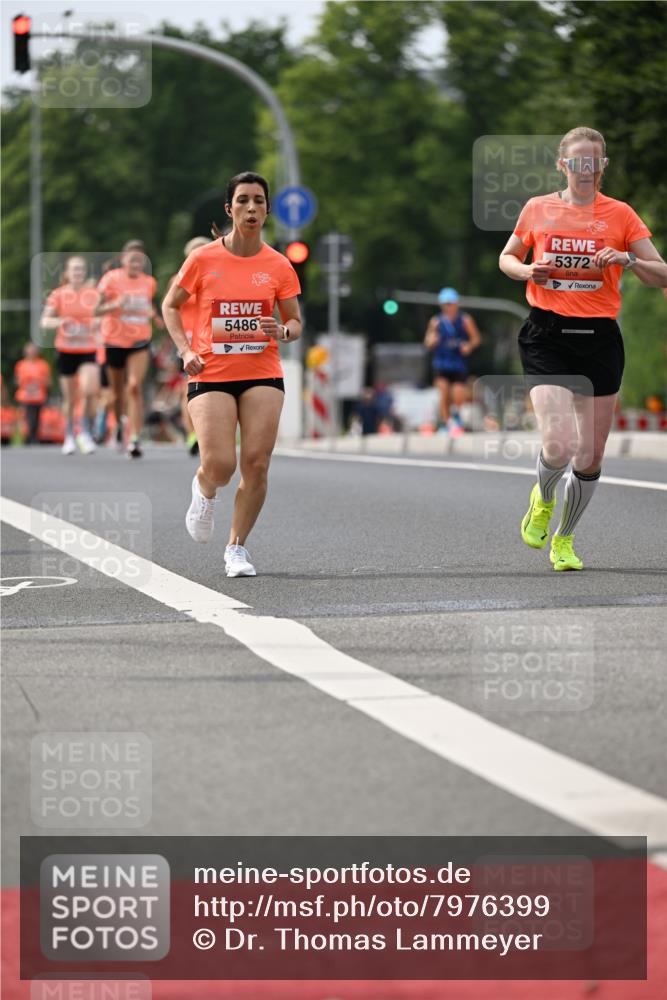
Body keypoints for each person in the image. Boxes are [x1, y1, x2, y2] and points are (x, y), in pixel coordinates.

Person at [499, 126, 667, 570]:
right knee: (558, 444)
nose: (585, 170)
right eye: (577, 162)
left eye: (593, 162)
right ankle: (543, 499)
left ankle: (565, 540)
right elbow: (507, 257)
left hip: (599, 339)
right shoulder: (538, 209)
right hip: (547, 335)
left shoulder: (621, 216)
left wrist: (627, 259)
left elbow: (662, 273)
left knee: (590, 454)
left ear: (603, 166)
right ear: (563, 165)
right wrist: (528, 270)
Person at [162, 171, 302, 577]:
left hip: (262, 370)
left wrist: (285, 331)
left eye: (259, 201)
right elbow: (171, 306)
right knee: (221, 465)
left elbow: (294, 321)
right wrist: (185, 349)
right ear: (229, 209)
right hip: (210, 371)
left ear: (268, 209)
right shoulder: (204, 258)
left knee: (256, 463)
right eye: (243, 200)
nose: (251, 208)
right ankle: (204, 490)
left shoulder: (278, 265)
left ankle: (236, 547)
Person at [95, 241, 158, 458]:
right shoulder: (110, 279)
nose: (136, 263)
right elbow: (96, 309)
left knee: (134, 387)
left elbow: (148, 305)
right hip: (113, 339)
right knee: (116, 393)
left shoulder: (149, 282)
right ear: (123, 260)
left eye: (140, 260)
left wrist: (153, 315)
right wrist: (115, 305)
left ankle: (135, 438)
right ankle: (121, 423)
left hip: (139, 339)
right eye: (132, 259)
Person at [40, 255, 100, 455]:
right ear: (68, 273)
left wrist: (98, 324)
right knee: (70, 397)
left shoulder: (92, 294)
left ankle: (84, 431)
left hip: (87, 349)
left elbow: (102, 318)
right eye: (74, 270)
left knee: (89, 390)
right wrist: (60, 322)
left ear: (84, 273)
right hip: (66, 349)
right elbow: (45, 321)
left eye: (81, 270)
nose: (78, 273)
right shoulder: (58, 295)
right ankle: (69, 436)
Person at [166, 236, 212, 455]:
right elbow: (170, 309)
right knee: (190, 389)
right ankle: (193, 434)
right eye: (195, 252)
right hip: (188, 343)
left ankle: (209, 433)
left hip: (213, 340)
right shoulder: (179, 279)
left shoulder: (218, 277)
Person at [424, 288, 481, 435]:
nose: (447, 307)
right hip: (442, 362)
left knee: (458, 393)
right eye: (444, 304)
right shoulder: (436, 321)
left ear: (456, 304)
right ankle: (446, 422)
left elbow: (476, 339)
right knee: (443, 392)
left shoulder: (465, 320)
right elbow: (428, 341)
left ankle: (456, 415)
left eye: (450, 303)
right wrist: (432, 340)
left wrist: (469, 346)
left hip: (458, 363)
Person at [14, 343, 51, 444]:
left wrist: (39, 382)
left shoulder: (43, 365)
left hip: (39, 396)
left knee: (37, 417)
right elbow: (18, 380)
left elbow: (48, 381)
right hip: (25, 396)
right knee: (27, 417)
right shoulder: (21, 365)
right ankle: (28, 437)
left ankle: (35, 436)